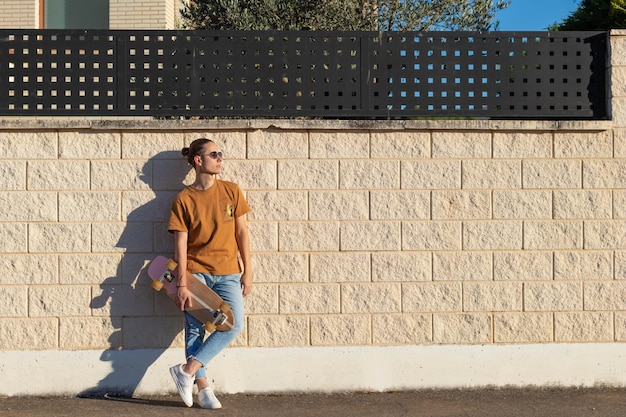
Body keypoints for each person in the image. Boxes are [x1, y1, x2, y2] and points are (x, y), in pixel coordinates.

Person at [167, 138, 252, 409]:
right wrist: (182, 281)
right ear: (198, 160)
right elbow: (180, 243)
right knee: (194, 329)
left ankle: (187, 371)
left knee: (233, 323)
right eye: (214, 154)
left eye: (221, 153)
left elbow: (241, 233)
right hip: (196, 271)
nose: (220, 158)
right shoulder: (184, 199)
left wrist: (248, 270)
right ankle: (203, 389)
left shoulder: (231, 191)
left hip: (228, 272)